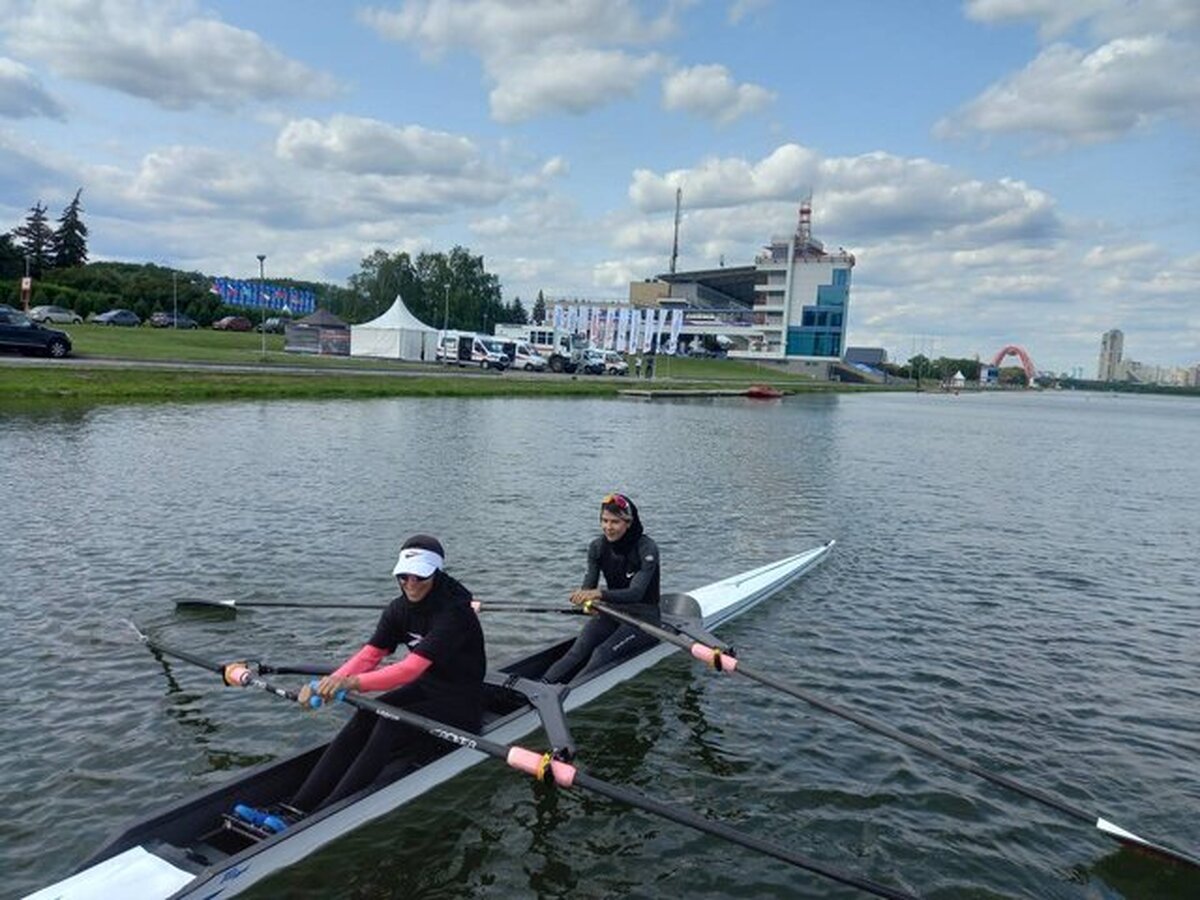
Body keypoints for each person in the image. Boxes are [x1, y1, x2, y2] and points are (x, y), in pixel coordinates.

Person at [287, 534, 486, 813]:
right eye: (404, 576)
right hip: (428, 689)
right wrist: (326, 684)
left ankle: (325, 812)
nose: (410, 584)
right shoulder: (397, 609)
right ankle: (296, 807)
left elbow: (408, 669)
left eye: (419, 577)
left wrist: (351, 684)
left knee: (389, 722)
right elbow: (371, 655)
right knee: (368, 713)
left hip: (461, 703)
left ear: (436, 573)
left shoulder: (454, 613)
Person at [542, 493, 660, 684]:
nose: (608, 527)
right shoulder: (597, 547)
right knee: (577, 651)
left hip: (644, 618)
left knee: (601, 652)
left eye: (615, 522)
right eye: (604, 521)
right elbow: (589, 585)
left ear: (628, 523)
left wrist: (598, 594)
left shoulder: (646, 548)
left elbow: (635, 593)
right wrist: (583, 599)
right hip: (612, 611)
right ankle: (542, 687)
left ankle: (565, 695)